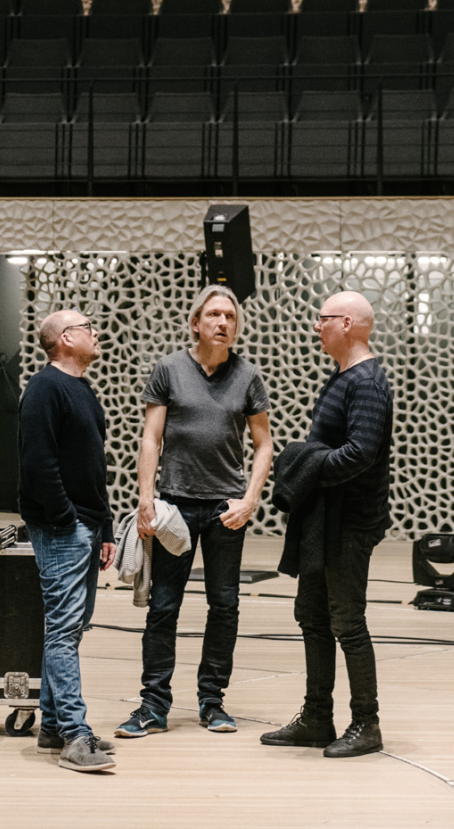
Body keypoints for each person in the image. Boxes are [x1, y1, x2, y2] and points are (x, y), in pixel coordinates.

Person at [115, 285, 273, 740]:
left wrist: (250, 499)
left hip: (226, 507)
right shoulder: (168, 369)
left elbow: (264, 445)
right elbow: (151, 437)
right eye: (215, 315)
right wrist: (146, 497)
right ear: (196, 323)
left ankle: (212, 701)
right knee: (164, 606)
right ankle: (153, 706)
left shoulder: (248, 376)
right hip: (174, 506)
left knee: (224, 606)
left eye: (231, 317)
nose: (224, 323)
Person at [262, 290, 393, 758]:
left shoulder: (367, 383)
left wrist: (308, 464)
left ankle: (366, 723)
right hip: (325, 521)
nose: (317, 327)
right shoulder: (340, 377)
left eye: (324, 319)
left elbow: (361, 453)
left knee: (347, 622)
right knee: (312, 619)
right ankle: (318, 717)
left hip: (349, 524)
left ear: (351, 324)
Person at [16, 308, 118, 773]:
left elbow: (91, 465)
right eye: (87, 327)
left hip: (85, 526)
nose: (96, 333)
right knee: (63, 629)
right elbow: (38, 463)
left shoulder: (81, 388)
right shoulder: (44, 388)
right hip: (64, 528)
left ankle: (54, 725)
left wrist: (105, 526)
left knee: (70, 629)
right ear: (63, 339)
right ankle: (75, 737)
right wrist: (66, 521)